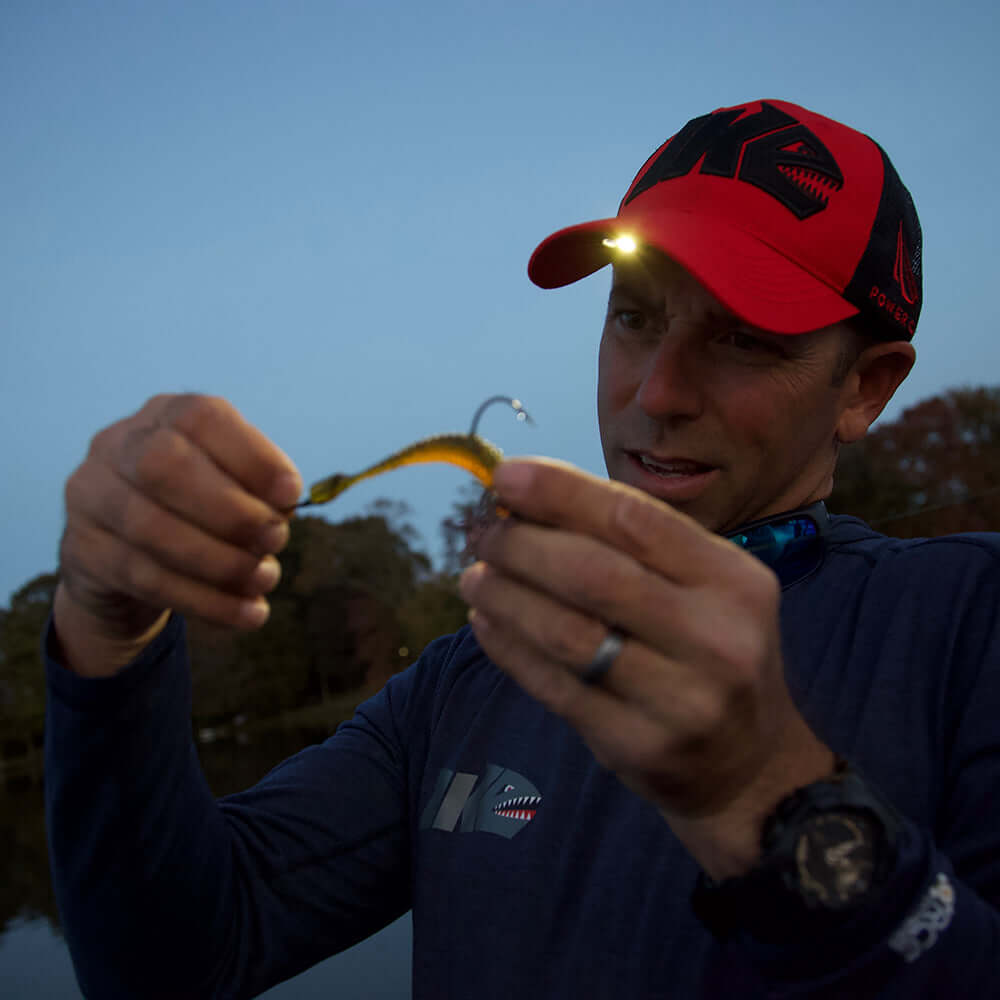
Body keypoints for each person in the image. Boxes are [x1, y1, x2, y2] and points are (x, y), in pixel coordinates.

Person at [44, 99, 1000, 998]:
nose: (657, 392)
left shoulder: (970, 626)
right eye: (635, 316)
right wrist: (107, 632)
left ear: (864, 388)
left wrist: (760, 795)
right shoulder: (466, 678)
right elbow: (167, 960)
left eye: (744, 339)